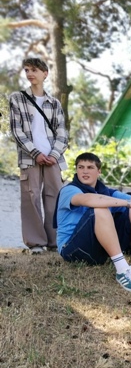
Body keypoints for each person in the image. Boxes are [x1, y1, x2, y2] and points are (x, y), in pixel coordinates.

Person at [55, 153, 131, 293]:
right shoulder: (69, 190)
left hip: (100, 251)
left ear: (99, 171)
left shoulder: (106, 192)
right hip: (72, 250)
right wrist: (130, 203)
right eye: (80, 167)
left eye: (90, 167)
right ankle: (122, 269)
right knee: (100, 209)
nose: (85, 171)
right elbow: (90, 200)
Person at [9, 57, 68, 254]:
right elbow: (17, 131)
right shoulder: (17, 98)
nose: (30, 74)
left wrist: (54, 154)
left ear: (45, 73)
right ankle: (36, 243)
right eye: (26, 70)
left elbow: (62, 133)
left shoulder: (55, 103)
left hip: (53, 158)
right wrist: (35, 153)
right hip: (29, 157)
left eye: (34, 70)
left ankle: (54, 241)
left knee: (55, 198)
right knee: (30, 198)